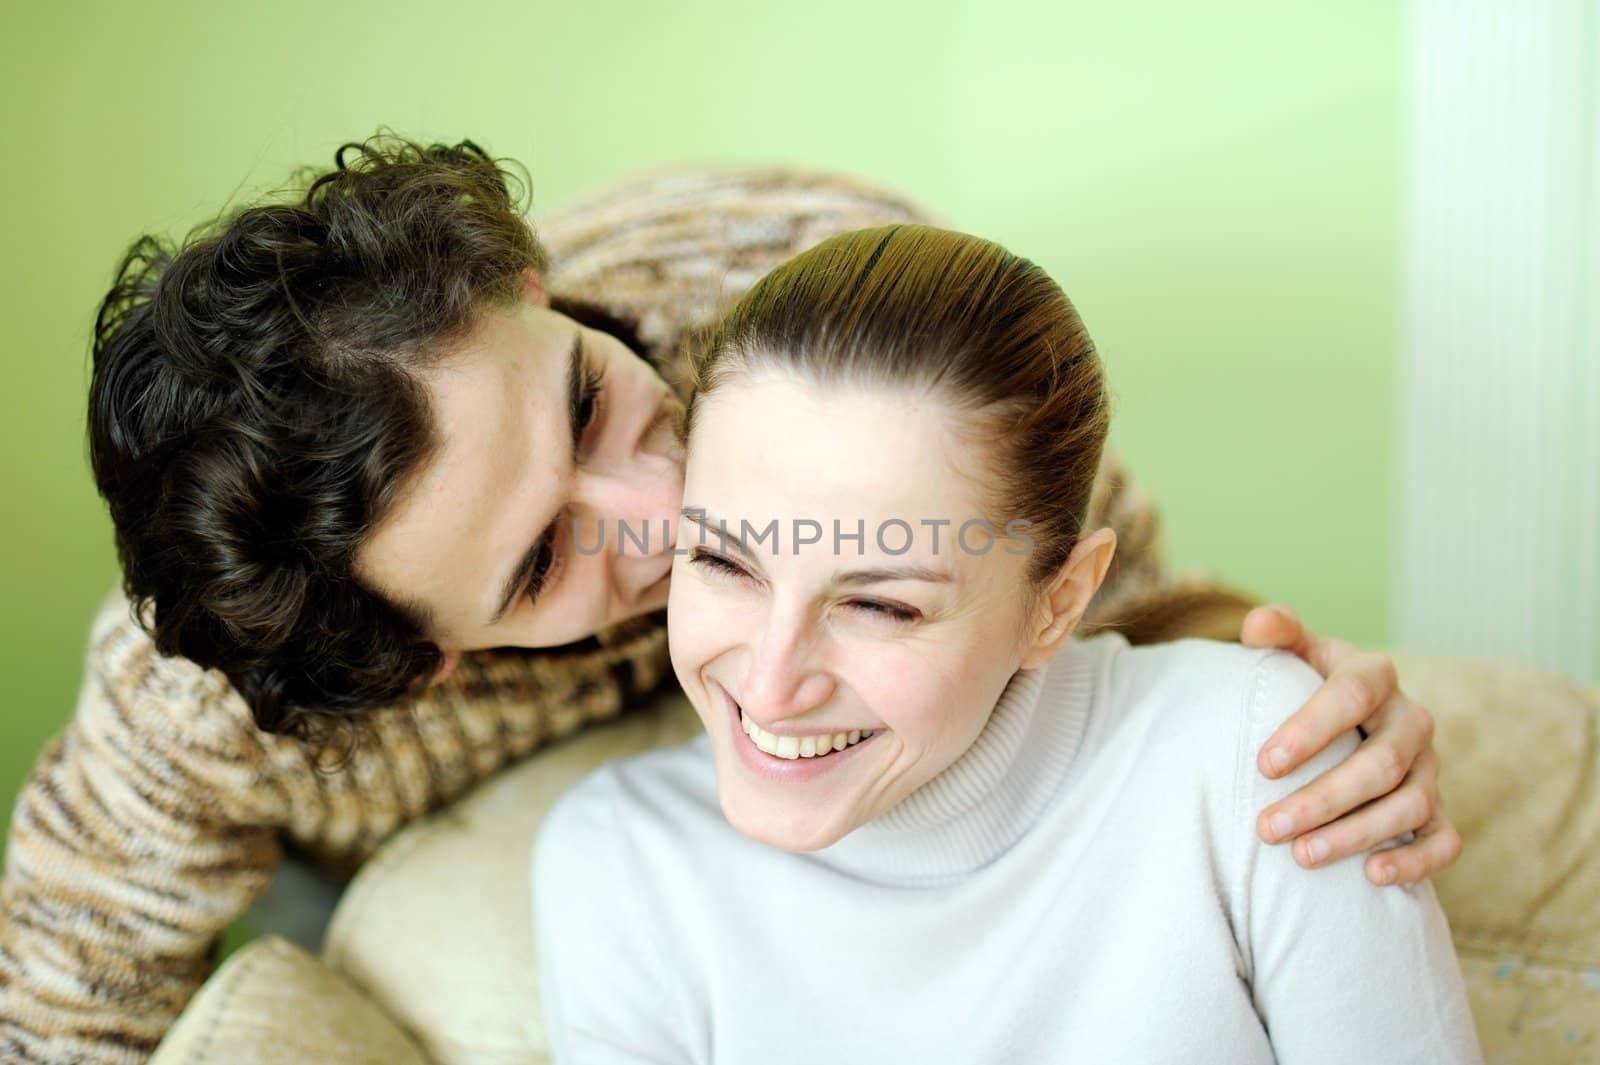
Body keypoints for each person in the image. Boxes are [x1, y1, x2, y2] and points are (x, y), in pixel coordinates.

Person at [0, 137, 1458, 1065]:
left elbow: (1103, 596)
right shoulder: (193, 726)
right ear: (434, 662)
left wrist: (1299, 702)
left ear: (525, 278)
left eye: (584, 404)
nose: (661, 507)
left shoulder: (788, 274)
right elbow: (61, 999)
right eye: (539, 561)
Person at [531, 225, 1482, 1063]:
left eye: (882, 607)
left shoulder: (1257, 763)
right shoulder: (618, 869)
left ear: (1058, 603)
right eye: (724, 562)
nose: (773, 685)